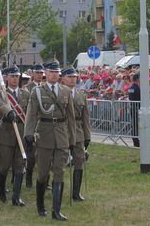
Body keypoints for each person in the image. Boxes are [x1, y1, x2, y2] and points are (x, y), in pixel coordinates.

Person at [24, 59, 76, 221]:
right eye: (51, 72)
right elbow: (31, 114)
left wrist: (72, 141)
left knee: (59, 172)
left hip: (61, 135)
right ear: (45, 73)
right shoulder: (37, 92)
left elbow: (71, 118)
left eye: (57, 72)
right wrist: (29, 134)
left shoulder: (65, 91)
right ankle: (40, 205)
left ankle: (56, 210)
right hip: (44, 134)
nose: (54, 75)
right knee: (43, 173)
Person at [0, 65, 30, 206]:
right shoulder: (2, 93)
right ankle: (1, 189)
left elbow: (30, 113)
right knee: (3, 166)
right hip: (6, 134)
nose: (15, 79)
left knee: (19, 166)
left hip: (21, 133)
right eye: (12, 76)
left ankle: (16, 196)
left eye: (17, 76)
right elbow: (0, 104)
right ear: (7, 77)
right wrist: (8, 112)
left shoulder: (26, 94)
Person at [61, 66, 91, 202]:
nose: (73, 79)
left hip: (78, 131)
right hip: (61, 129)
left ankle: (76, 192)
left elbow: (85, 117)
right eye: (70, 77)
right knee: (57, 161)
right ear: (63, 78)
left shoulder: (81, 95)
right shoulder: (58, 93)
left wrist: (87, 136)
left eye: (74, 77)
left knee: (79, 160)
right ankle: (54, 187)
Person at [23, 63, 45, 188]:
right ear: (32, 74)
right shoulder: (27, 88)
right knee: (31, 155)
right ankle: (29, 176)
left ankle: (44, 180)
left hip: (43, 125)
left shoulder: (46, 87)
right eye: (37, 73)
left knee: (44, 156)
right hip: (31, 123)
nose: (40, 75)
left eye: (41, 73)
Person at [128, 72, 141, 147]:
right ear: (137, 79)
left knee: (134, 125)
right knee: (135, 125)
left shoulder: (131, 88)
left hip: (133, 107)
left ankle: (135, 140)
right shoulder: (137, 88)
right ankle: (136, 141)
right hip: (136, 108)